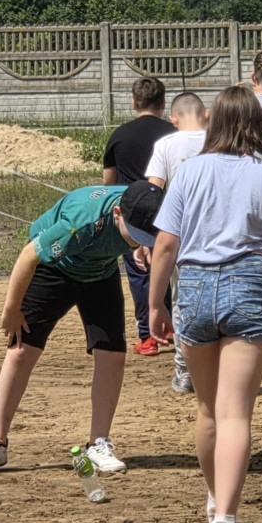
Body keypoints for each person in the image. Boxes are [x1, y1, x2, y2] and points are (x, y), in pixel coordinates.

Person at [146, 86, 262, 523]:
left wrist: (155, 306)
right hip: (248, 285)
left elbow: (165, 245)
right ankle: (227, 515)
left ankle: (215, 498)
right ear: (257, 123)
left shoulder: (188, 172)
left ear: (213, 121)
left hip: (195, 288)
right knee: (236, 412)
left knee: (207, 409)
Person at [0, 181, 165, 477]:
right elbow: (28, 256)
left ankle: (98, 444)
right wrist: (12, 309)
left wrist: (144, 246)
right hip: (55, 269)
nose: (138, 242)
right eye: (135, 235)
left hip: (100, 274)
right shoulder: (82, 222)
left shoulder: (149, 206)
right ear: (117, 212)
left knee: (112, 356)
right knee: (21, 350)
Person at [103, 76, 176, 356]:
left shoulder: (119, 135)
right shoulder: (173, 134)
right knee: (167, 270)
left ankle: (147, 334)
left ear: (134, 103)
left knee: (138, 273)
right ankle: (168, 325)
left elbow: (107, 181)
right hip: (167, 211)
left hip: (132, 215)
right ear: (162, 103)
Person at [145, 91, 209, 393]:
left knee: (182, 300)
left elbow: (152, 194)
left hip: (179, 234)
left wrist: (147, 239)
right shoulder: (219, 141)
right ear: (205, 113)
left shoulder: (165, 145)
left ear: (173, 119)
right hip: (216, 232)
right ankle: (213, 365)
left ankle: (185, 369)